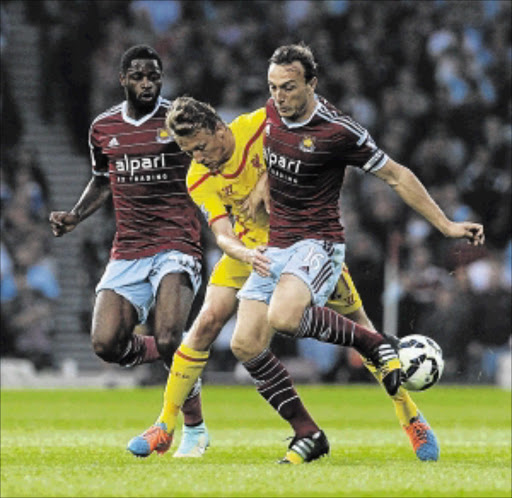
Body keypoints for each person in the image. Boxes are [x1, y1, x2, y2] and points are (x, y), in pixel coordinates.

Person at [127, 91, 450, 463]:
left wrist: (265, 177)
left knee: (362, 328)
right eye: (189, 153)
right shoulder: (198, 177)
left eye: (200, 147)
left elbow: (302, 113)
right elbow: (221, 233)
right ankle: (165, 424)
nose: (198, 158)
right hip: (250, 251)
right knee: (207, 323)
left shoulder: (258, 125)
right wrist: (244, 252)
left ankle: (410, 417)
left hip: (302, 243)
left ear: (219, 129)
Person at [233, 43, 483, 462]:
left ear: (312, 83)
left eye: (290, 87)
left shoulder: (339, 131)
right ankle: (309, 433)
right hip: (277, 247)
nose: (279, 96)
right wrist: (261, 186)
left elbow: (397, 176)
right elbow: (273, 153)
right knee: (245, 343)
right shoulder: (274, 111)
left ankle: (411, 418)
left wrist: (445, 225)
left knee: (290, 318)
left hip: (319, 246)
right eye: (273, 87)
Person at [48, 45, 208, 456]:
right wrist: (75, 216)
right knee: (106, 345)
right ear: (123, 79)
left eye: (154, 76)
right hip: (129, 247)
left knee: (170, 333)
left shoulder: (178, 121)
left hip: (177, 241)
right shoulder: (103, 128)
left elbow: (214, 158)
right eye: (138, 76)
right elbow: (103, 178)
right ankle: (185, 358)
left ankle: (193, 430)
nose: (147, 83)